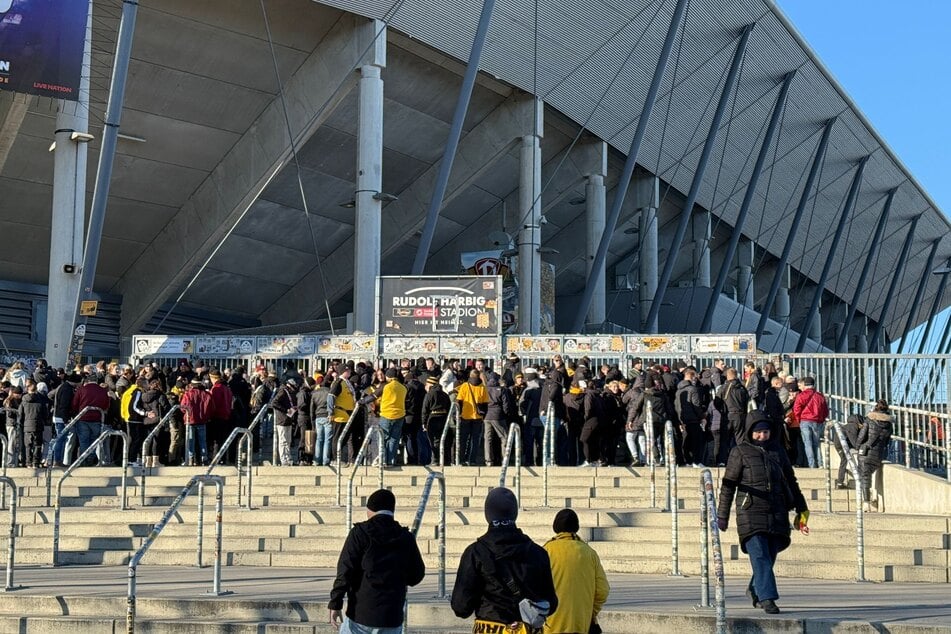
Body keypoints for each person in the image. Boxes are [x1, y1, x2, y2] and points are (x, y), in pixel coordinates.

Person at [717, 411, 809, 615]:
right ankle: (768, 599)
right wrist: (722, 515)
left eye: (765, 432)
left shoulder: (778, 451)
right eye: (758, 432)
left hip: (777, 511)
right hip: (750, 511)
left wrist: (802, 508)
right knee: (760, 556)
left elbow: (791, 481)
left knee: (769, 555)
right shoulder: (739, 452)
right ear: (750, 432)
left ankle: (754, 589)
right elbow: (728, 485)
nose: (762, 436)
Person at [451, 488, 559, 634]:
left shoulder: (475, 553)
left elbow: (461, 608)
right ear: (514, 513)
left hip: (489, 627)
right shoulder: (538, 553)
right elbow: (551, 603)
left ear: (487, 514)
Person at [328, 489, 425, 633]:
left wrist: (336, 603)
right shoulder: (405, 537)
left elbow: (345, 569)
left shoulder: (360, 533)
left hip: (361, 613)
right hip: (391, 615)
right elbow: (417, 575)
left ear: (370, 509)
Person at [543, 509, 609, 634]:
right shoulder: (590, 553)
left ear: (555, 526)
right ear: (576, 527)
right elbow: (603, 590)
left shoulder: (546, 551)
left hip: (550, 627)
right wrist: (591, 613)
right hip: (580, 625)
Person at [858, 400, 893, 510]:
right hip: (878, 454)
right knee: (869, 475)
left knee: (864, 476)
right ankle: (871, 497)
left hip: (866, 452)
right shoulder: (889, 424)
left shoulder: (869, 420)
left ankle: (866, 503)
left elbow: (861, 436)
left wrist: (858, 446)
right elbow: (887, 441)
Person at [792, 377, 829, 468]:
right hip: (817, 422)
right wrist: (821, 420)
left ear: (805, 385)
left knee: (807, 443)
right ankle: (820, 464)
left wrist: (799, 420)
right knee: (816, 444)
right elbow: (825, 411)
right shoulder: (820, 396)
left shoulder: (801, 395)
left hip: (805, 421)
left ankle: (812, 465)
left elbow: (796, 409)